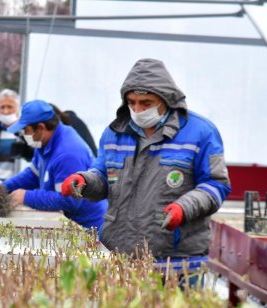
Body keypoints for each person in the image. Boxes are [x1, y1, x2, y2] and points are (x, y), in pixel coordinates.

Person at [61, 58, 231, 270]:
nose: (138, 110)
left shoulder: (201, 133)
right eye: (131, 102)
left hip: (176, 260)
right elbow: (104, 178)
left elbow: (216, 185)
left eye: (146, 103)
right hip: (122, 256)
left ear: (166, 99)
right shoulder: (115, 133)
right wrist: (84, 181)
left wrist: (183, 207)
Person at [2, 99, 107, 230]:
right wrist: (3, 187)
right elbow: (32, 175)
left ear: (40, 127)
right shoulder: (44, 144)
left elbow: (69, 201)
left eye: (26, 130)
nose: (24, 135)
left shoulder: (68, 154)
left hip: (89, 227)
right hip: (71, 223)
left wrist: (26, 196)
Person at [0, 89, 34, 180]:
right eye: (2, 107)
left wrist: (20, 131)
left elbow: (33, 154)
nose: (6, 111)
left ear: (17, 108)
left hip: (19, 183)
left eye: (10, 107)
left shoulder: (25, 129)